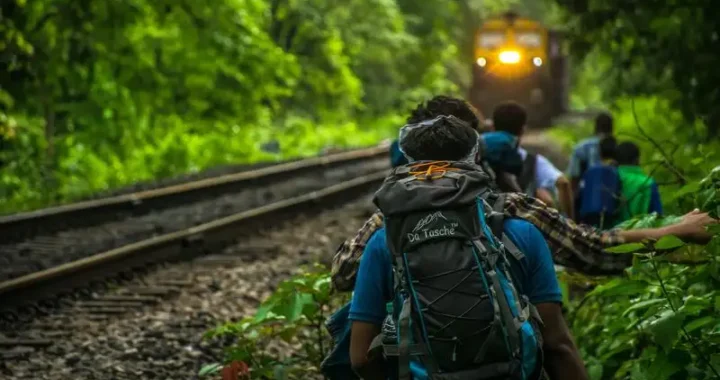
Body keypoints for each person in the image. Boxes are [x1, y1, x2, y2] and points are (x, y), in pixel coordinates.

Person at [331, 96, 716, 293]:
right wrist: (675, 231)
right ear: (476, 148)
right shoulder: (513, 209)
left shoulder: (390, 218)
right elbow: (597, 250)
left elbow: (342, 274)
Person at [349, 115, 587, 380]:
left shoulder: (384, 242)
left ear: (409, 165)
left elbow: (360, 358)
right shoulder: (522, 233)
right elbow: (557, 345)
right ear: (475, 159)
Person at [491, 102, 575, 220]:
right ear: (522, 130)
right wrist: (569, 221)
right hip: (521, 223)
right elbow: (563, 183)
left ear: (493, 128)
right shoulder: (533, 161)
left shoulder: (481, 154)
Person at [577, 136, 622, 227]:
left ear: (599, 151)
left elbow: (580, 192)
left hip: (587, 216)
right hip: (609, 216)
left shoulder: (590, 170)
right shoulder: (617, 171)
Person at [567, 112, 614, 196]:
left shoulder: (581, 147)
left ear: (595, 126)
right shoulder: (617, 147)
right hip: (611, 196)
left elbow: (574, 177)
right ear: (612, 128)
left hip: (586, 195)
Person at [615, 141, 663, 220]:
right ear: (637, 160)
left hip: (602, 231)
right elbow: (658, 217)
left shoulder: (607, 178)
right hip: (636, 230)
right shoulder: (647, 183)